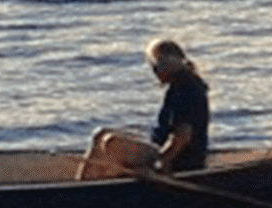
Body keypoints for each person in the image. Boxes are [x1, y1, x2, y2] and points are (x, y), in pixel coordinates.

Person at [82, 39, 212, 178]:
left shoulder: (187, 90)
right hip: (160, 148)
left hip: (181, 160)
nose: (155, 72)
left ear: (172, 63)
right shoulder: (175, 87)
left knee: (111, 142)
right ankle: (86, 183)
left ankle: (91, 187)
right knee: (101, 134)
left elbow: (182, 137)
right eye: (153, 67)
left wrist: (159, 163)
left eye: (157, 67)